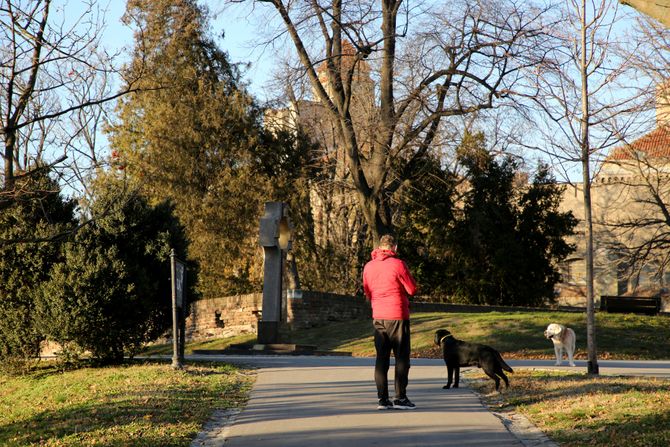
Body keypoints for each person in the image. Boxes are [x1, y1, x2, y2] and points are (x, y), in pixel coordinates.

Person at [362, 234, 418, 410]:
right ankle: (400, 398)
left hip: (378, 316)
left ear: (380, 247)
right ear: (394, 247)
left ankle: (383, 400)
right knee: (401, 357)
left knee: (381, 358)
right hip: (397, 315)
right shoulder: (398, 264)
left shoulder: (368, 266)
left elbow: (367, 292)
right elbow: (412, 289)